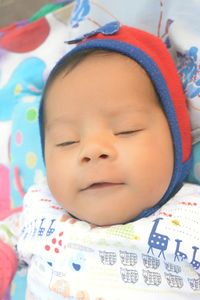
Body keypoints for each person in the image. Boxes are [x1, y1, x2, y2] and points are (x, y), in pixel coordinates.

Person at [0, 21, 200, 300]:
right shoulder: (41, 206)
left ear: (176, 141)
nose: (92, 150)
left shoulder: (192, 215)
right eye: (67, 141)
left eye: (126, 129)